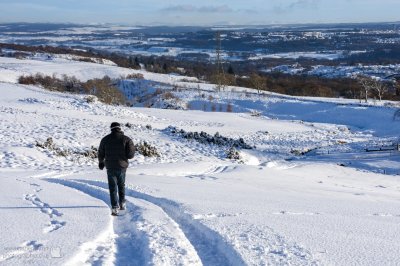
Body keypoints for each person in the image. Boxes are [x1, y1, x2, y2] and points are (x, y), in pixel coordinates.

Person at [98, 122, 135, 216]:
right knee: (121, 185)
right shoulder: (126, 139)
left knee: (112, 187)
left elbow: (100, 152)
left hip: (110, 166)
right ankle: (122, 203)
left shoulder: (105, 139)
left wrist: (101, 162)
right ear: (119, 128)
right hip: (122, 166)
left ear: (111, 128)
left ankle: (114, 208)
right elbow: (131, 155)